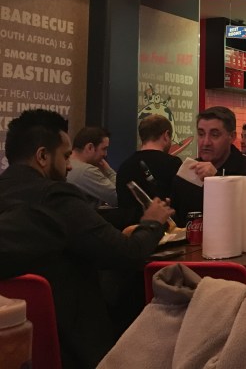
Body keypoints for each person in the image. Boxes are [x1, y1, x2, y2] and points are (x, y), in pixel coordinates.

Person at [0, 109, 174, 368]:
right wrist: (152, 222)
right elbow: (128, 254)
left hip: (16, 351)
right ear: (43, 156)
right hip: (76, 350)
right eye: (65, 156)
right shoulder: (57, 197)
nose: (70, 165)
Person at [172, 106, 246, 225]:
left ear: (232, 137)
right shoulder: (188, 173)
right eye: (201, 134)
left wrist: (217, 180)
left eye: (214, 135)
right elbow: (178, 222)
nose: (206, 142)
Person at [116, 115, 182, 224]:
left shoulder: (124, 167)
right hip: (164, 229)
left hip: (131, 231)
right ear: (166, 135)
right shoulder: (173, 163)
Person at [66, 126, 117, 207]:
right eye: (104, 149)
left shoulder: (65, 164)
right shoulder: (86, 171)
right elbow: (118, 197)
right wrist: (109, 172)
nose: (105, 154)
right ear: (90, 147)